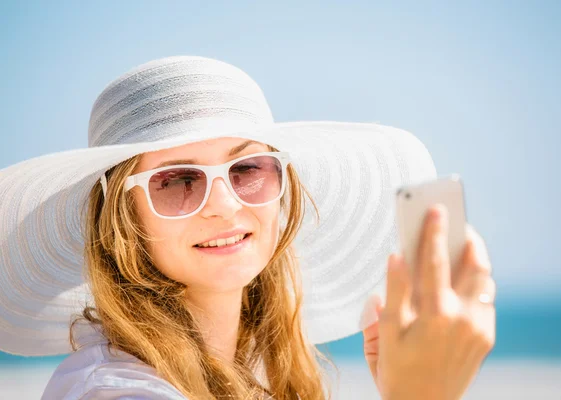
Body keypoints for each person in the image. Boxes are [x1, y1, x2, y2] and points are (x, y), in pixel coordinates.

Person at [0, 56, 496, 399]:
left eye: (247, 169)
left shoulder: (254, 375)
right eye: (176, 179)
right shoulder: (116, 391)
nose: (223, 205)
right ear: (123, 217)